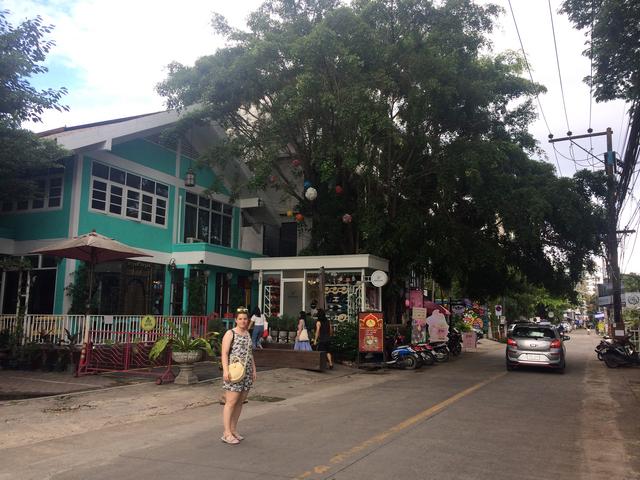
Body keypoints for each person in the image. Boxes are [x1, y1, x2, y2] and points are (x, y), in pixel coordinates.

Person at [220, 307, 256, 445]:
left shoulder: (247, 334)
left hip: (246, 372)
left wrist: (253, 369)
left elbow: (250, 353)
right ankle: (226, 432)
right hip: (234, 372)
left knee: (240, 401)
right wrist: (225, 371)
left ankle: (234, 430)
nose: (243, 321)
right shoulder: (230, 333)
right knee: (231, 402)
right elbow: (224, 353)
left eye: (245, 319)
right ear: (236, 320)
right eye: (240, 319)